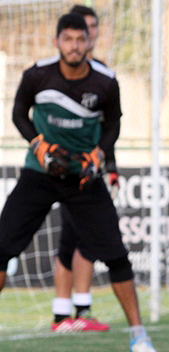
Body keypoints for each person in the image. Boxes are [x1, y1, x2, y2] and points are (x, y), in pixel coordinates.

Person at [1, 13, 160, 352]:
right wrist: (38, 144)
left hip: (84, 180)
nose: (75, 45)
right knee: (1, 249)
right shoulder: (37, 75)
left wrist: (100, 154)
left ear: (89, 41)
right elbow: (17, 113)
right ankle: (65, 313)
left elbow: (113, 124)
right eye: (68, 39)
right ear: (57, 41)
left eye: (80, 39)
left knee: (117, 256)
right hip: (39, 176)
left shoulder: (105, 81)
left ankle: (139, 337)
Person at [49, 4, 118, 333]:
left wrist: (110, 165)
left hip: (91, 170)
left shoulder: (102, 75)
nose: (85, 36)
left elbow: (109, 128)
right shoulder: (54, 73)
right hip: (62, 170)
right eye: (78, 31)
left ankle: (69, 314)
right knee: (76, 239)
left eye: (90, 28)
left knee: (80, 240)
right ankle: (68, 315)